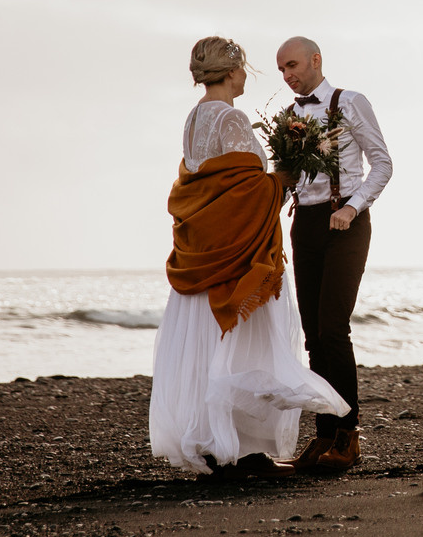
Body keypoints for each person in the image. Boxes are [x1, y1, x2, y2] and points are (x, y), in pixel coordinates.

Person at [146, 36, 348, 474]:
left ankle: (213, 441)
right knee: (242, 347)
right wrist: (287, 174)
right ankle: (240, 448)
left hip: (204, 246)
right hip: (237, 253)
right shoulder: (231, 118)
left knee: (210, 348)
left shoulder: (193, 118)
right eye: (245, 70)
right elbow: (244, 193)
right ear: (232, 71)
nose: (246, 78)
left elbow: (206, 188)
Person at [275, 35, 392, 475]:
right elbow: (290, 177)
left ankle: (348, 434)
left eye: (293, 66)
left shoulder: (350, 101)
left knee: (333, 328)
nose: (288, 76)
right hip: (304, 225)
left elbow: (382, 163)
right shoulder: (289, 116)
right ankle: (324, 433)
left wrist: (351, 206)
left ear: (315, 60)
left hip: (345, 223)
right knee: (312, 336)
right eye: (282, 69)